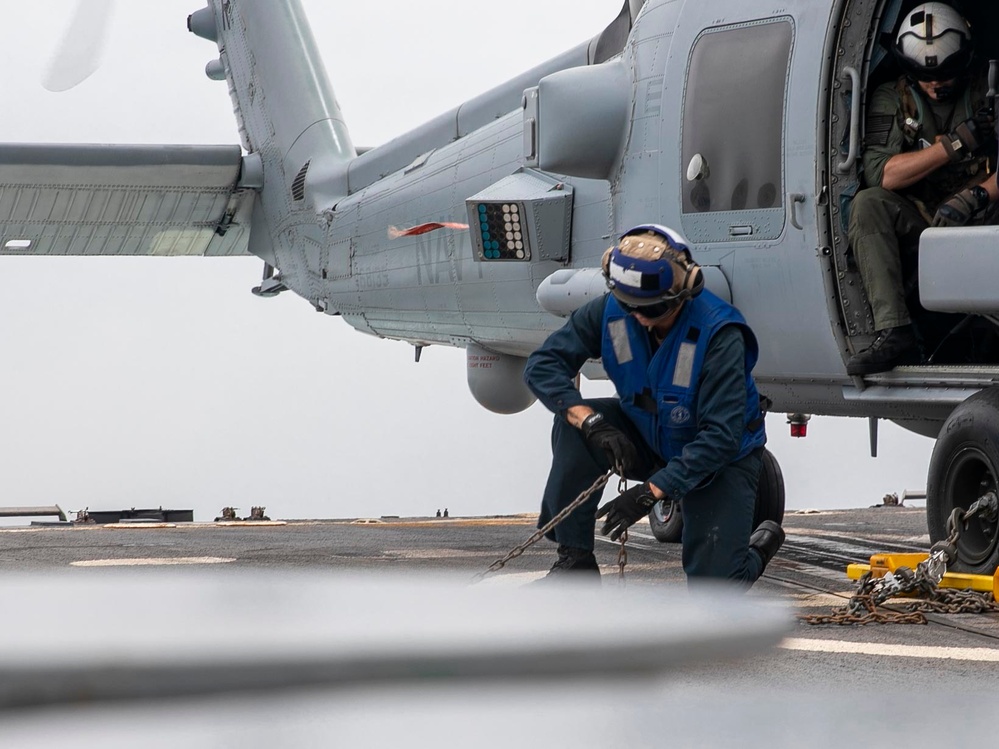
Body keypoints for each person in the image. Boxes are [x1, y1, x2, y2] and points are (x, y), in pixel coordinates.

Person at [523, 224, 784, 583]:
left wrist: (649, 493)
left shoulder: (720, 334)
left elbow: (720, 437)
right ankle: (575, 560)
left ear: (683, 292)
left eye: (652, 309)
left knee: (717, 590)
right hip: (645, 435)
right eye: (630, 307)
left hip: (717, 459)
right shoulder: (614, 310)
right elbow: (543, 364)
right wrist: (590, 422)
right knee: (572, 427)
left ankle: (758, 546)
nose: (639, 318)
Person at [847, 2, 999, 376]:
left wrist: (975, 196)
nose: (936, 84)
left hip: (986, 211)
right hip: (926, 220)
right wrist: (954, 145)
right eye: (924, 75)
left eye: (946, 73)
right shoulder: (893, 98)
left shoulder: (989, 89)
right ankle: (894, 330)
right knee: (868, 205)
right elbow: (884, 174)